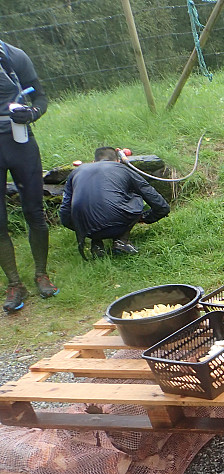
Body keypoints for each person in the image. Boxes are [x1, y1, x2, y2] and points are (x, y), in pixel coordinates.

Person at [0, 40, 56, 313]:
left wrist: (32, 113)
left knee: (34, 211)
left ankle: (41, 275)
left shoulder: (13, 56)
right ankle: (14, 284)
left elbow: (41, 97)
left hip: (19, 142)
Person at [59, 146, 170, 260]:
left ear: (93, 161)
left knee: (89, 206)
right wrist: (145, 218)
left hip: (86, 228)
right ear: (118, 161)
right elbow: (159, 204)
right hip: (118, 222)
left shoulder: (76, 171)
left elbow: (65, 212)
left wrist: (80, 228)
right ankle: (122, 241)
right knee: (135, 196)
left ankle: (97, 244)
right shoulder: (122, 168)